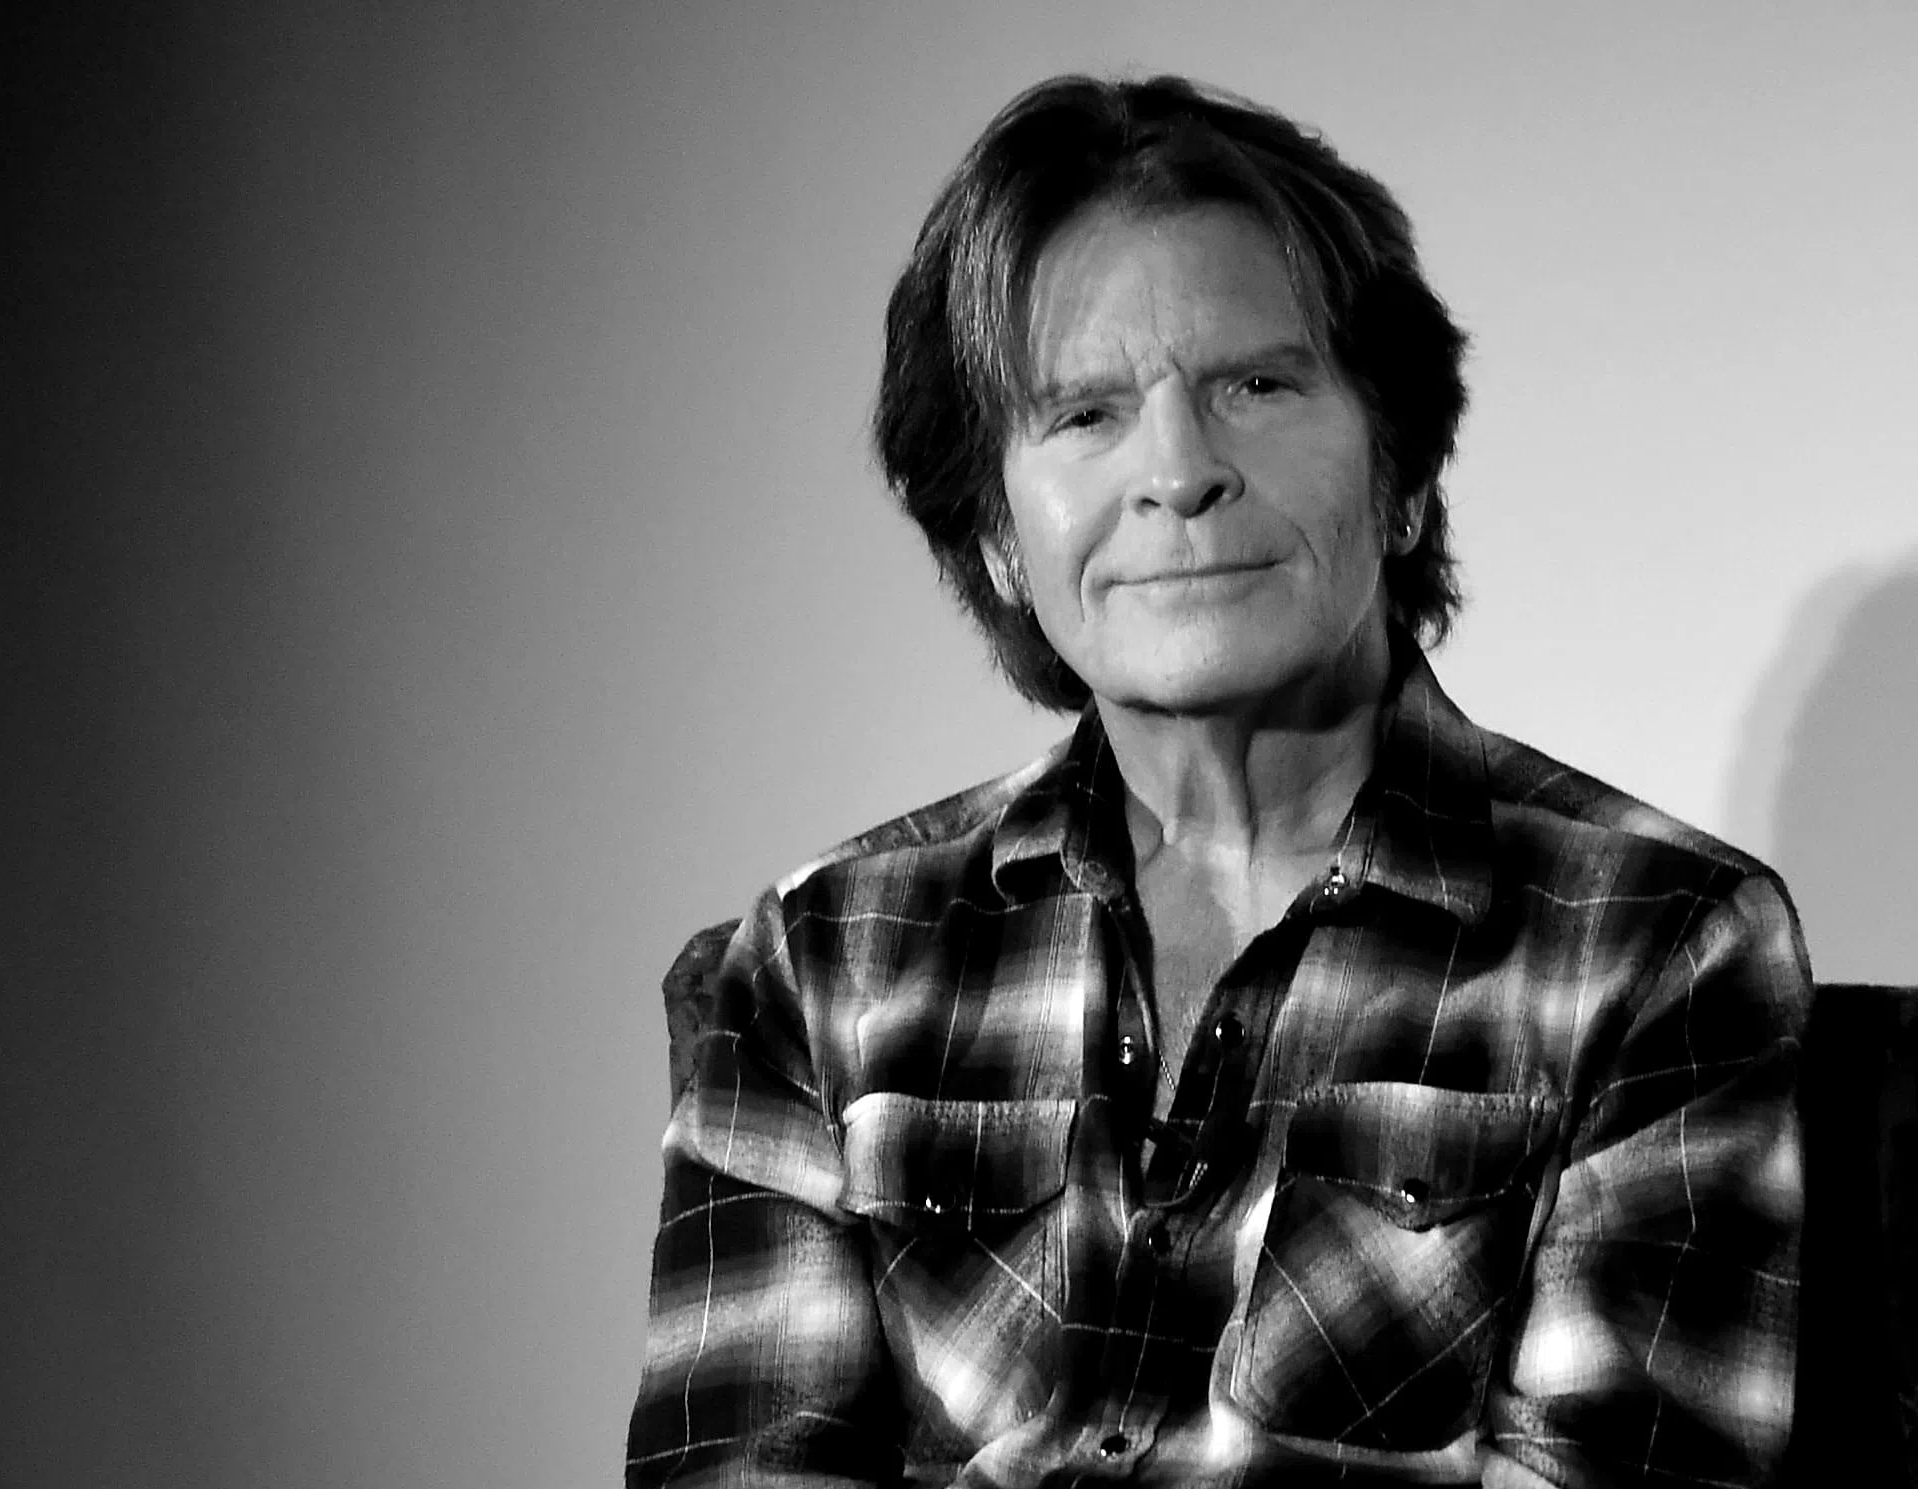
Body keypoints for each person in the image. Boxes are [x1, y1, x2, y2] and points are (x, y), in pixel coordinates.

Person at [626, 73, 1811, 1487]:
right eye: (1085, 415)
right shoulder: (821, 963)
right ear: (997, 535)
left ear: (1402, 472)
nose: (1180, 472)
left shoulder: (1659, 947)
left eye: (1257, 385)